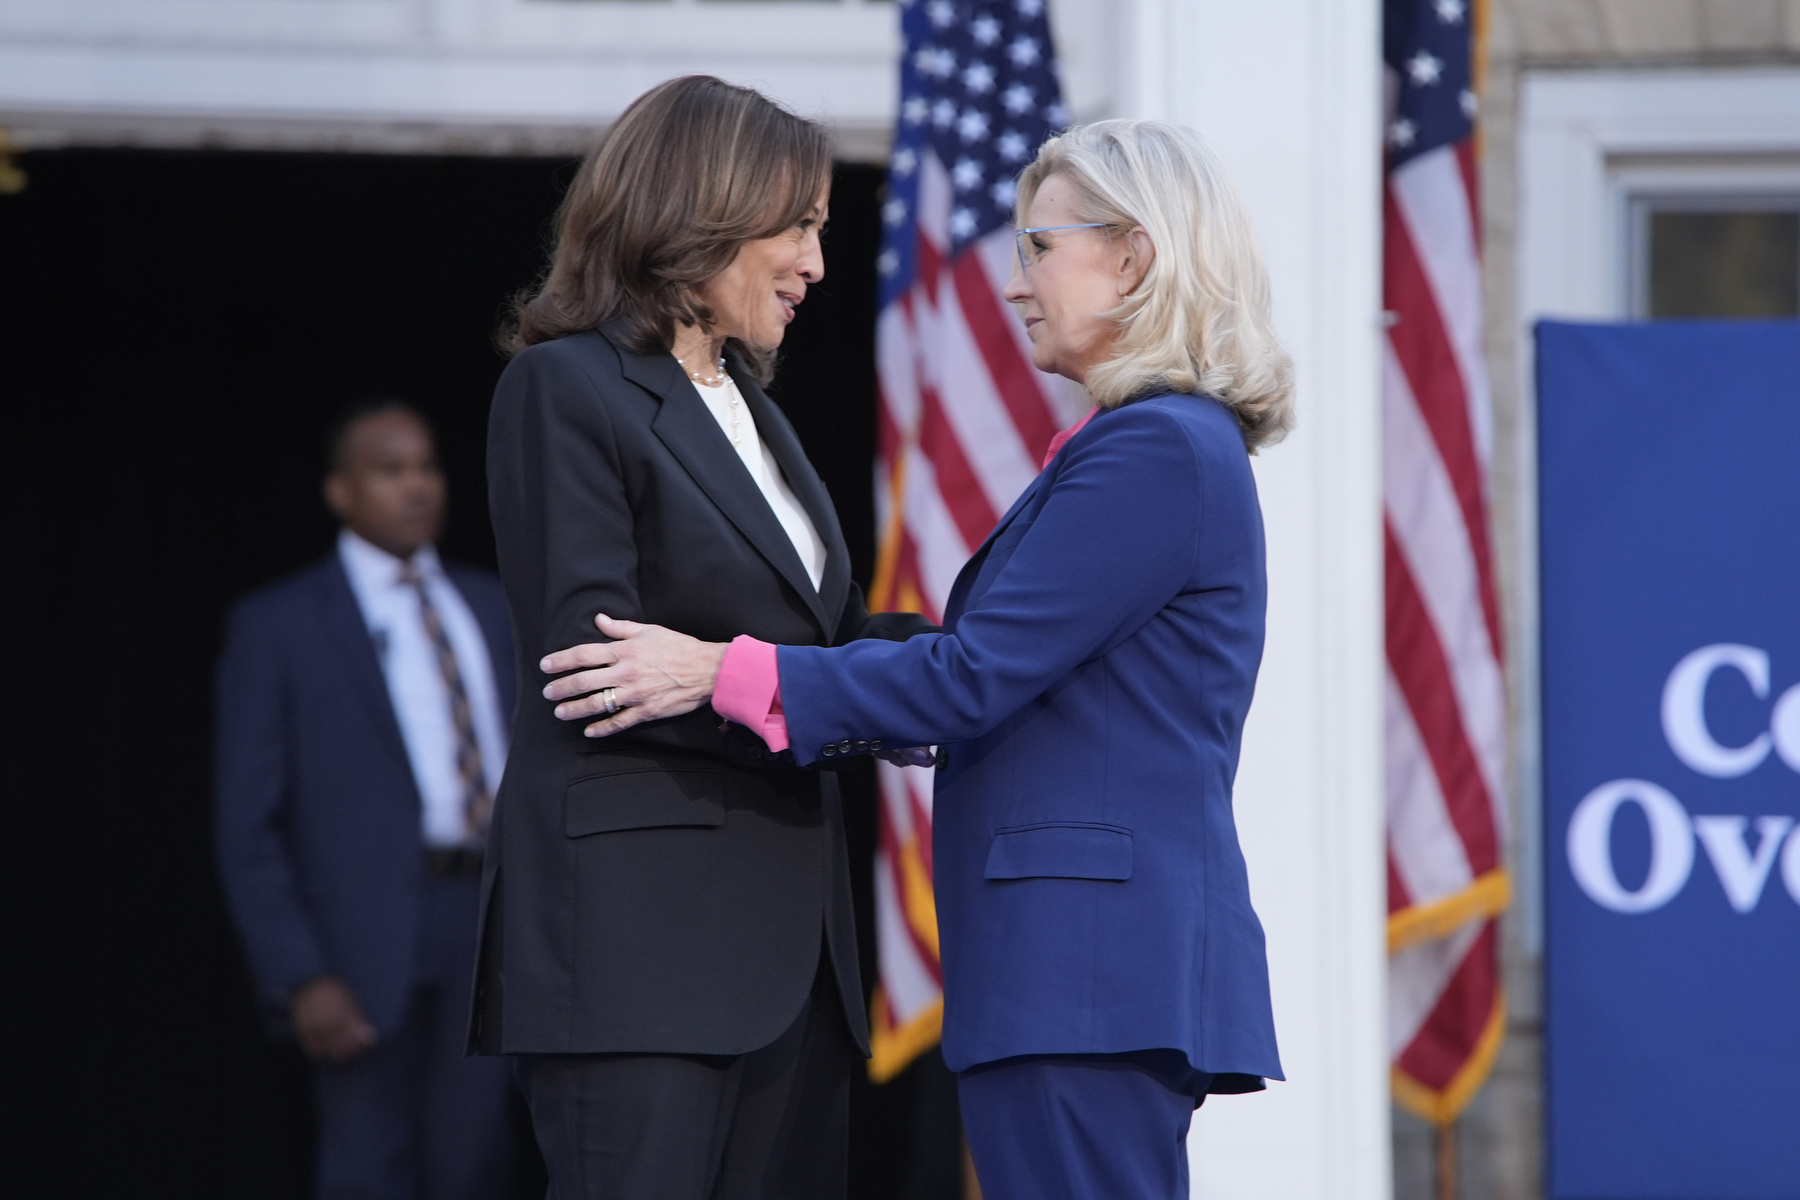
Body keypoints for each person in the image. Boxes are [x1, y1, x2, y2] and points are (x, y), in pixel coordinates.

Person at [539, 119, 1295, 1200]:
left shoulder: (1158, 446)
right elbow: (994, 676)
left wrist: (721, 673)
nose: (1014, 281)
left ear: (1133, 257)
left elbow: (970, 677)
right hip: (1086, 974)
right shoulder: (1152, 444)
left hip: (1087, 973)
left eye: (1039, 246)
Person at [475, 75, 931, 1200]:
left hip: (793, 958)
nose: (818, 263)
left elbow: (799, 638)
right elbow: (603, 668)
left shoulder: (749, 406)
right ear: (703, 212)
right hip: (642, 956)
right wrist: (815, 695)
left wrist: (969, 658)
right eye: (801, 226)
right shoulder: (565, 386)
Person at [214, 400, 515, 1200]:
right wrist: (300, 973)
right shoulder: (280, 624)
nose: (416, 487)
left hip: (487, 921)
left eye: (426, 467)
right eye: (390, 470)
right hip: (358, 938)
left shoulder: (490, 606)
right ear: (340, 492)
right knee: (367, 1168)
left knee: (474, 1164)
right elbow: (247, 821)